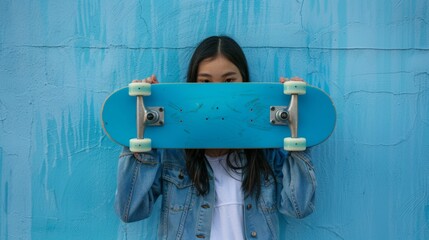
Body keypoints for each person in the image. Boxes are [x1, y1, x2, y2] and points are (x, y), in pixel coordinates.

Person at [115, 36, 316, 240]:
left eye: (229, 81)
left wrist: (297, 121)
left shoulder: (265, 153)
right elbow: (130, 210)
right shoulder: (174, 154)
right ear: (192, 85)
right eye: (205, 82)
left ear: (244, 82)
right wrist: (144, 130)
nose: (218, 91)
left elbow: (298, 207)